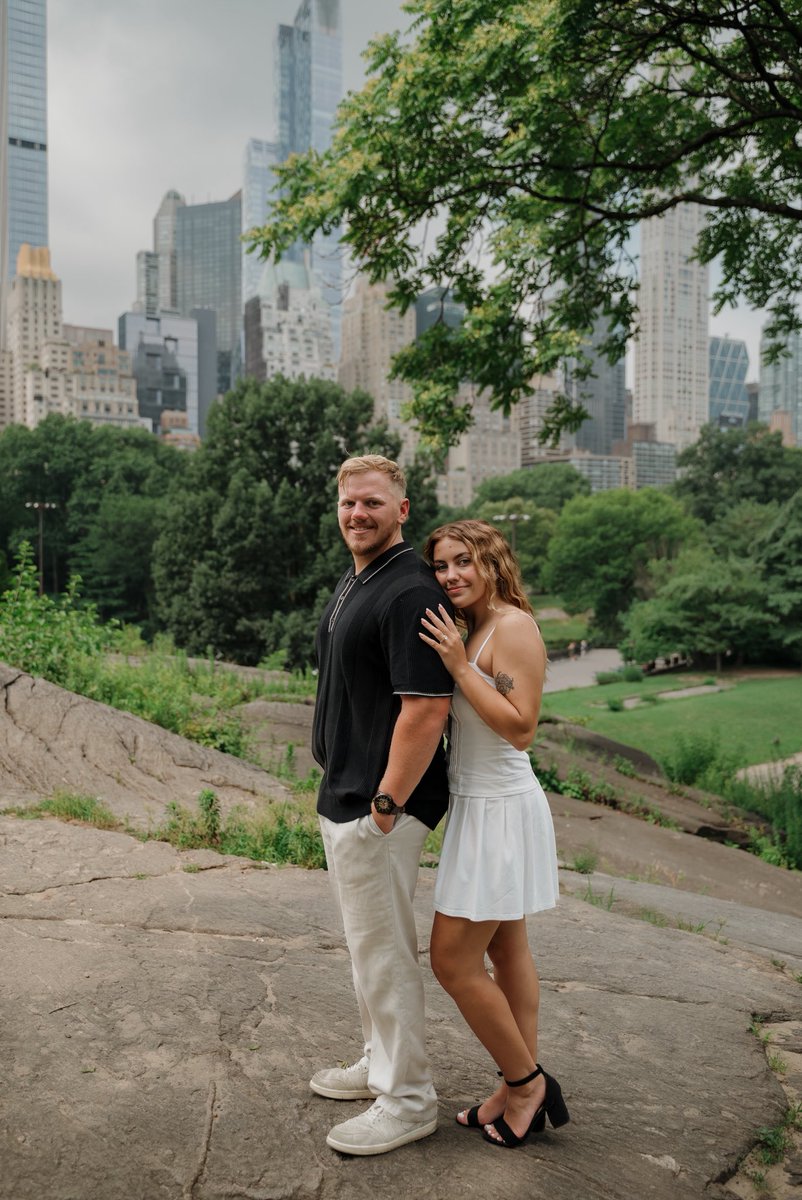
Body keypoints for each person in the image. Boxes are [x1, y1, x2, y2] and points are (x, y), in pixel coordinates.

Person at [309, 455, 454, 1156]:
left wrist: (386, 805)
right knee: (368, 950)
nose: (357, 515)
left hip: (381, 806)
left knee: (386, 953)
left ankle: (407, 1098)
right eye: (347, 504)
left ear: (403, 509)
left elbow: (426, 709)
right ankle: (379, 1063)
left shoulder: (408, 591)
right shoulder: (361, 576)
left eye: (371, 503)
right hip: (347, 794)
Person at [419, 519, 569, 1150]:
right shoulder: (475, 625)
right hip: (477, 807)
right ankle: (514, 1094)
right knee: (506, 954)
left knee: (451, 960)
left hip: (503, 809)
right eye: (440, 566)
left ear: (491, 561)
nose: (451, 575)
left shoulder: (513, 627)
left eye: (462, 562)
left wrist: (457, 663)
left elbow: (521, 725)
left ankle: (528, 1083)